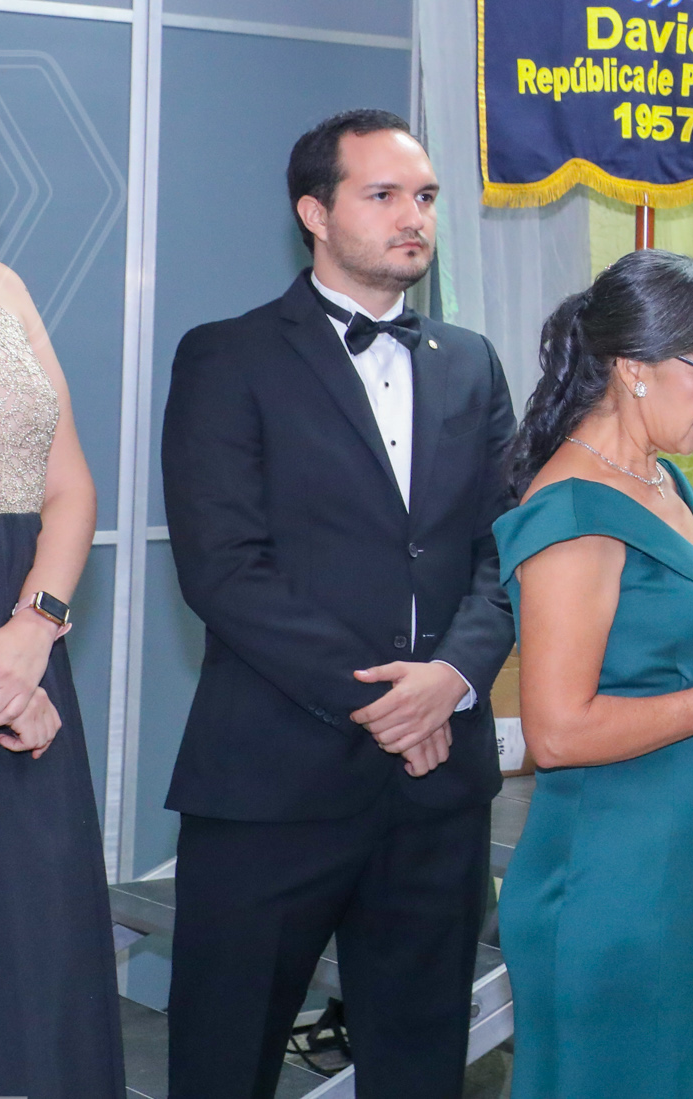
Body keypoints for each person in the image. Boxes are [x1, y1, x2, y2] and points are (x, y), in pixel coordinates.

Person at [162, 110, 516, 1099]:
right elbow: (224, 568)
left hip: (437, 790)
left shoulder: (472, 360)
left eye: (426, 196)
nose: (414, 216)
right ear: (314, 212)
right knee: (223, 1063)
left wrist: (452, 677)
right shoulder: (227, 355)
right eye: (384, 194)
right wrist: (386, 699)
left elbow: (508, 550)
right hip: (274, 777)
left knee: (421, 1067)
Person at [492, 250, 693, 1099]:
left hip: (655, 880)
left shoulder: (662, 479)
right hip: (596, 889)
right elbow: (558, 732)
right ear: (633, 367)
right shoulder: (573, 511)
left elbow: (664, 663)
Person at [0, 133, 124, 1099]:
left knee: (41, 971)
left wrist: (34, 628)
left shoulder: (5, 286)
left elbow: (69, 484)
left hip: (25, 645)